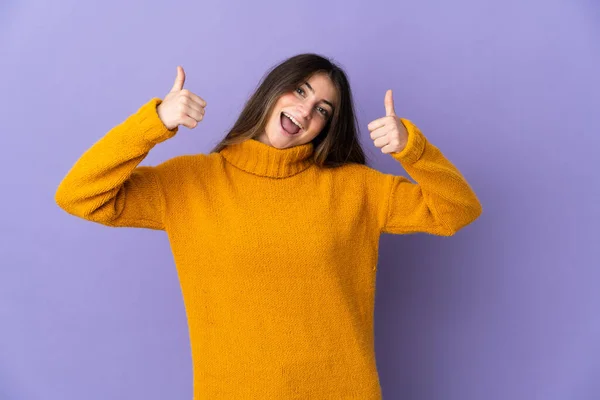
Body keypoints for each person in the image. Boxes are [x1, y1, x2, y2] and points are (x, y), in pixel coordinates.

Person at [55, 53, 482, 399]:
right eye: (300, 90)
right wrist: (155, 123)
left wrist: (413, 149)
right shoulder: (189, 182)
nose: (305, 110)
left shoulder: (356, 189)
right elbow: (79, 194)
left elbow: (456, 210)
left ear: (324, 129)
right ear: (272, 92)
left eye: (322, 110)